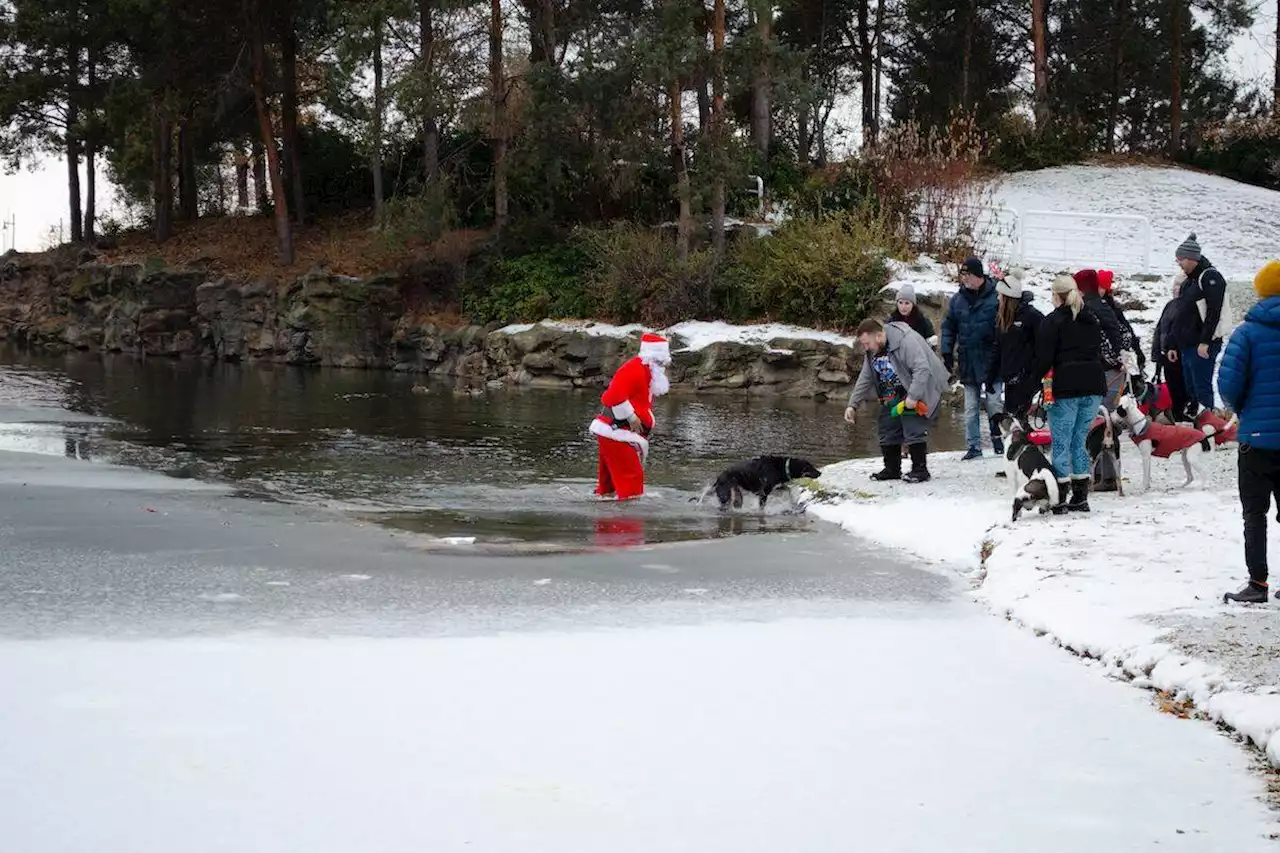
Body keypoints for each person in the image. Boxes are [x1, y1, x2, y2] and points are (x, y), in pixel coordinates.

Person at [1216, 260, 1280, 604]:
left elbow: (1228, 384)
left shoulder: (1247, 333)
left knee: (1255, 513)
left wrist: (1244, 410)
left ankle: (1258, 584)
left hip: (1256, 439)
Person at [845, 318, 950, 484]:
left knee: (913, 427)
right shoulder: (872, 351)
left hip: (918, 386)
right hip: (891, 392)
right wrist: (853, 404)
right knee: (887, 426)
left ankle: (920, 470)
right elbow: (866, 377)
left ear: (879, 336)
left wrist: (913, 396)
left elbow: (922, 369)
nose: (866, 348)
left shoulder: (905, 340)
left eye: (867, 343)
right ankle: (892, 469)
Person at [1034, 275, 1106, 513]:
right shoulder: (1091, 319)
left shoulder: (1052, 322)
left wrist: (1032, 386)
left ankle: (1060, 498)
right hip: (1094, 386)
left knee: (1061, 443)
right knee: (1079, 440)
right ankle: (1081, 496)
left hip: (1065, 388)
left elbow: (1043, 359)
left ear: (1056, 295)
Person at [589, 333, 672, 500]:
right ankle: (628, 523)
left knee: (608, 489)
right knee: (631, 483)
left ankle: (606, 521)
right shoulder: (635, 369)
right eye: (662, 362)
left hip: (614, 433)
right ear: (654, 358)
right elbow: (612, 396)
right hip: (617, 434)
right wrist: (631, 417)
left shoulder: (647, 373)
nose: (664, 367)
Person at [942, 256, 1002, 459]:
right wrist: (946, 351)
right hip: (968, 360)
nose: (965, 279)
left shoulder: (996, 298)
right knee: (970, 408)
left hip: (992, 360)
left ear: (978, 276)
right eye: (963, 275)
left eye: (968, 275)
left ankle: (998, 441)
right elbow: (949, 327)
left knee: (994, 404)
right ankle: (973, 446)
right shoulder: (958, 300)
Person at [1168, 233, 1229, 413]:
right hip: (1186, 344)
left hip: (1201, 344)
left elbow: (1213, 311)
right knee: (1191, 389)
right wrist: (1172, 343)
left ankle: (1208, 427)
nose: (1178, 263)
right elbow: (1179, 313)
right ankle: (1196, 426)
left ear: (1191, 259)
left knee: (1201, 388)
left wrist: (1205, 341)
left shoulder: (1210, 278)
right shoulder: (1189, 282)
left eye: (1180, 259)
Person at [986, 269, 1043, 426]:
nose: (998, 298)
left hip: (1026, 377)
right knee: (1014, 416)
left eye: (1000, 295)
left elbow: (1043, 346)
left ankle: (1022, 445)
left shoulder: (1032, 317)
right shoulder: (1002, 319)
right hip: (1010, 377)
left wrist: (1034, 374)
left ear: (1008, 297)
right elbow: (997, 349)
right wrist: (990, 377)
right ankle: (1020, 444)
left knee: (1018, 416)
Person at [1074, 268, 1128, 410]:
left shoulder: (1087, 309)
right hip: (1109, 366)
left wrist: (1113, 359)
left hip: (1102, 368)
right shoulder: (1105, 306)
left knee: (1098, 412)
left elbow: (1103, 338)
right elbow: (1121, 332)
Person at [1151, 272, 1190, 422]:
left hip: (1180, 354)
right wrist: (1157, 353)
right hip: (1166, 354)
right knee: (1172, 387)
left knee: (1182, 387)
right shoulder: (1170, 305)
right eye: (1174, 285)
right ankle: (1175, 414)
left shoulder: (1188, 307)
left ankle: (1181, 414)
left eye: (1179, 285)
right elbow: (1159, 329)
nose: (1175, 289)